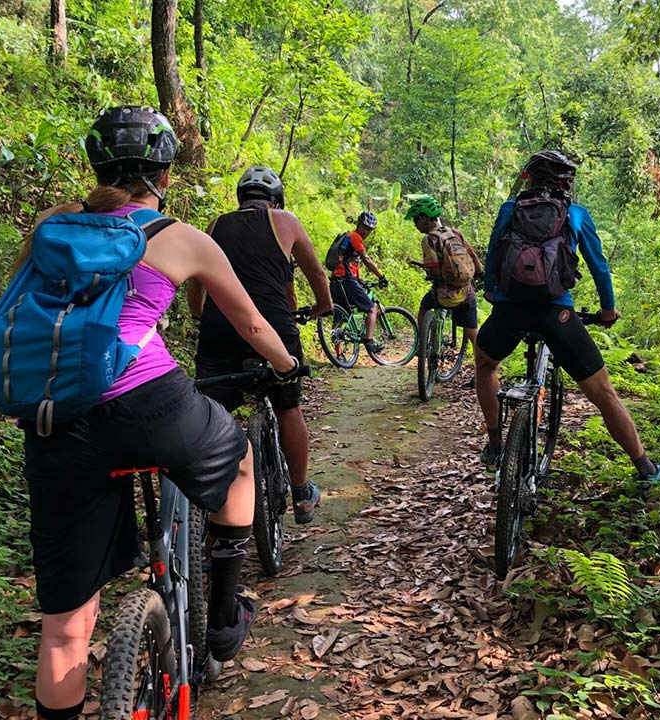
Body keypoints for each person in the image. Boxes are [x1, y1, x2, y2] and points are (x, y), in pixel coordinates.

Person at [20, 107, 300, 720]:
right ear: (165, 173)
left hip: (57, 419)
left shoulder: (50, 227)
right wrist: (285, 365)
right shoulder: (178, 236)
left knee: (65, 629)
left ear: (95, 164)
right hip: (149, 404)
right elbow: (252, 321)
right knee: (242, 463)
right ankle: (225, 621)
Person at [474, 150, 660, 483]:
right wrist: (608, 309)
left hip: (510, 310)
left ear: (529, 178)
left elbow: (495, 251)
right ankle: (646, 468)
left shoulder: (510, 210)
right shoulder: (576, 214)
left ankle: (495, 443)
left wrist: (493, 293)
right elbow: (599, 267)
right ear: (567, 184)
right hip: (558, 314)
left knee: (485, 363)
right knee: (603, 393)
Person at [191, 165, 332, 524]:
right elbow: (315, 271)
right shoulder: (285, 221)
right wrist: (323, 306)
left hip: (220, 327)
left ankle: (210, 508)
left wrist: (199, 313)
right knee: (288, 407)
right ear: (275, 199)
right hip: (273, 329)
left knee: (215, 411)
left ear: (242, 198)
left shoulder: (216, 225)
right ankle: (301, 493)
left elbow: (197, 279)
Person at [405, 195, 482, 350]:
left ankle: (422, 344)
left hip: (445, 294)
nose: (415, 225)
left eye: (416, 220)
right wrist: (479, 273)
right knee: (474, 335)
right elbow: (472, 255)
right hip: (466, 292)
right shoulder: (455, 233)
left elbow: (434, 270)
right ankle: (483, 367)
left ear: (424, 218)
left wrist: (428, 271)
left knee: (425, 306)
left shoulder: (430, 239)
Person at [330, 210, 388, 352]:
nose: (366, 232)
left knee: (340, 317)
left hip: (336, 280)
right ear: (358, 224)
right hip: (346, 279)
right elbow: (366, 259)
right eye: (365, 227)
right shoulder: (355, 236)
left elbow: (351, 261)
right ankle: (369, 341)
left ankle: (339, 355)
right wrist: (381, 276)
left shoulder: (349, 237)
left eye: (370, 229)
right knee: (371, 309)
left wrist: (359, 279)